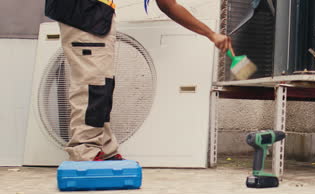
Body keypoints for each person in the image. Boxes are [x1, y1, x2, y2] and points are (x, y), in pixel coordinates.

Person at [45, 0, 232, 161]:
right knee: (92, 86)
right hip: (85, 14)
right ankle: (85, 153)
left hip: (95, 15)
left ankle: (104, 148)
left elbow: (169, 4)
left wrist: (211, 34)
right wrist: (211, 34)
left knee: (101, 87)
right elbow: (168, 5)